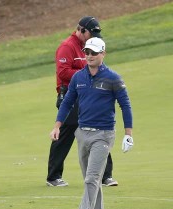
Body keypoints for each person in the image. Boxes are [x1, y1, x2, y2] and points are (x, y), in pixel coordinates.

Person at [50, 37, 134, 209]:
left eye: (94, 52)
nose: (89, 55)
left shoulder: (113, 78)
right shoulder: (78, 77)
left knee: (91, 178)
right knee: (91, 180)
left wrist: (128, 134)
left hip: (103, 135)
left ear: (103, 53)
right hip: (82, 134)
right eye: (87, 52)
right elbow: (67, 102)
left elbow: (125, 105)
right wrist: (57, 126)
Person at [46, 16, 118, 187]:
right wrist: (86, 74)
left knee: (99, 129)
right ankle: (53, 176)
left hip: (89, 95)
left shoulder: (90, 47)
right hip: (70, 95)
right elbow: (63, 73)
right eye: (90, 34)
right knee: (65, 134)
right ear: (81, 30)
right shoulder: (67, 46)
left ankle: (105, 175)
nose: (93, 38)